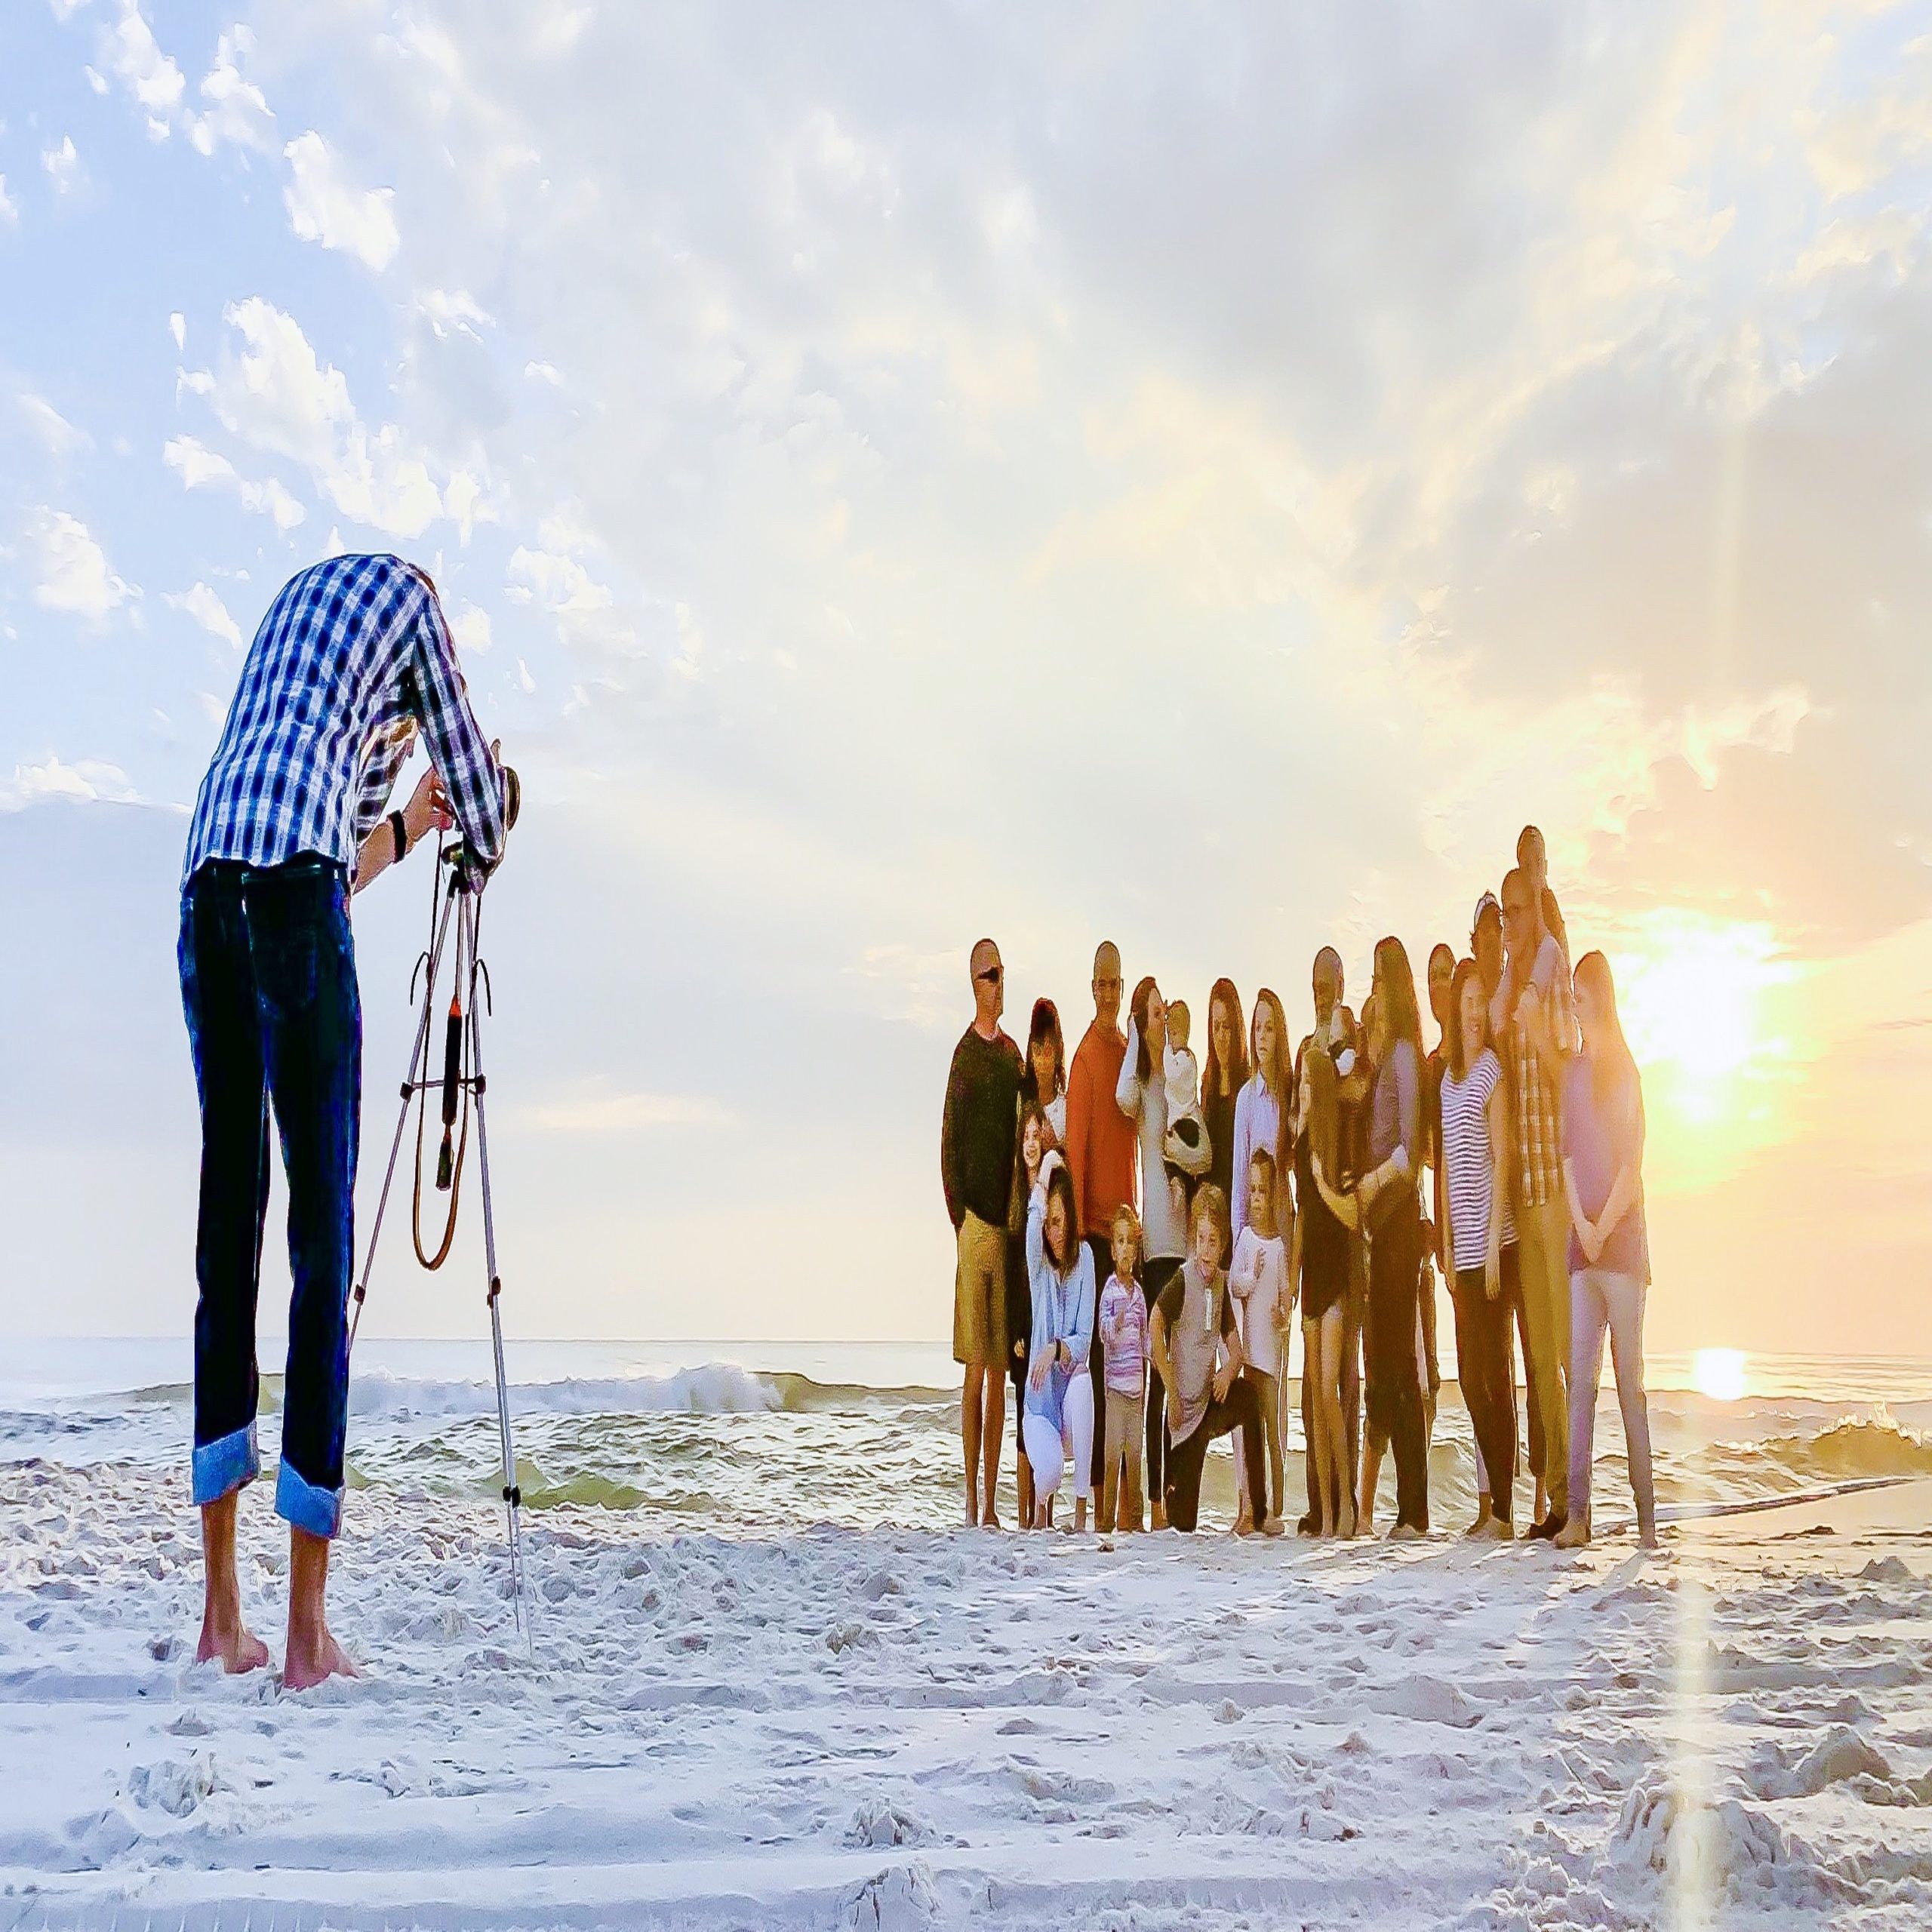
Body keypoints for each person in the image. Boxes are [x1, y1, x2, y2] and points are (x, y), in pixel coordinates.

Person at [179, 552, 509, 1688]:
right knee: (321, 1247)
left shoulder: (305, 634)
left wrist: (415, 824)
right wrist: (483, 811)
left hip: (206, 883)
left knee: (230, 1237)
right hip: (285, 890)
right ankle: (308, 1636)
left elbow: (339, 866)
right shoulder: (415, 605)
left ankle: (224, 1621)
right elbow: (481, 786)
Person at [1556, 953, 1658, 1550]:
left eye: (1579, 995)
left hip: (1622, 1250)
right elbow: (1568, 1156)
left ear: (1601, 998)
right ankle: (1579, 1518)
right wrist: (1580, 1226)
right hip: (1583, 1249)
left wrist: (1603, 1228)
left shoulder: (1625, 1072)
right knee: (1581, 1386)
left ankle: (1647, 1525)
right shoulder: (1572, 1071)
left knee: (1629, 1385)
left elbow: (1630, 1166)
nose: (1573, 1004)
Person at [1500, 865, 1575, 1540]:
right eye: (1504, 914)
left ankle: (1575, 1499)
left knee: (1564, 1355)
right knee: (1540, 1356)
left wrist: (1535, 1025)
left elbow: (1569, 1071)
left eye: (1518, 912)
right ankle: (1556, 1499)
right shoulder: (1512, 989)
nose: (1510, 925)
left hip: (1559, 1190)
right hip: (1526, 1198)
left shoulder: (1551, 987)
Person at [942, 937, 1023, 1531]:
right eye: (988, 974)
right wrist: (959, 1218)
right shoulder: (965, 1056)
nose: (997, 982)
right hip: (973, 1225)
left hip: (1008, 1225)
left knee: (999, 1369)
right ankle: (970, 1500)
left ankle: (994, 1503)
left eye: (1000, 972)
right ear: (974, 983)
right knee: (974, 1367)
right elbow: (948, 1145)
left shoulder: (1013, 1056)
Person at [1436, 958, 1517, 1540]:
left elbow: (1503, 1159)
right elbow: (1444, 1171)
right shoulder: (1447, 1080)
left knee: (1492, 1375)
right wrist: (1445, 1240)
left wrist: (1490, 1247)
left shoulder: (1491, 1071)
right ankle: (1491, 1509)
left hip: (1494, 1247)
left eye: (1478, 1001)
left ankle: (1504, 1513)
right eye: (1464, 1000)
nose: (1471, 1011)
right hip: (1459, 1251)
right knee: (1467, 1378)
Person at [1148, 1185, 1280, 1535]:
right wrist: (1170, 1387)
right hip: (1181, 1420)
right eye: (1201, 1240)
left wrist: (1228, 1372)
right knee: (1183, 1529)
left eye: (1214, 1242)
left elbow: (1236, 1350)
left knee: (1250, 1400)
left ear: (1223, 1247)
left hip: (1208, 1404)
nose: (1207, 1250)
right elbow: (1155, 1323)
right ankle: (1173, 1504)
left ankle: (1258, 1512)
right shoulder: (1183, 1280)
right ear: (1193, 1240)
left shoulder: (1221, 1285)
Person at [1355, 940, 1429, 1540]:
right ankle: (1406, 1509)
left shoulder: (1406, 1054)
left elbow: (1409, 1148)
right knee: (1390, 1359)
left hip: (1400, 1217)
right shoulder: (1385, 1055)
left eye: (1378, 978)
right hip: (1381, 1223)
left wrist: (1373, 1181)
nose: (1373, 987)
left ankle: (1414, 1511)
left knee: (1401, 1361)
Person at [1475, 888, 1541, 1520]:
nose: (1495, 938)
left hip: (1524, 1211)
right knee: (1491, 1371)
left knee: (1529, 1355)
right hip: (1487, 1227)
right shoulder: (1481, 1014)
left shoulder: (1514, 998)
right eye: (1486, 932)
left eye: (1502, 926)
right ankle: (1498, 1501)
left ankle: (1542, 1495)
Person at [1116, 977, 1189, 1522]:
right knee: (1157, 1375)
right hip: (1156, 1246)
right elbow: (1121, 1096)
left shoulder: (1182, 1081)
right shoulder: (1142, 1089)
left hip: (1191, 1243)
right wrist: (1138, 1037)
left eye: (1163, 1011)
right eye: (1152, 1014)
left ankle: (1179, 1494)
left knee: (1185, 1372)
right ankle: (1156, 1502)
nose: (1161, 1020)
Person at [1066, 943, 1134, 1496]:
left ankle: (1123, 1490)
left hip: (1126, 1231)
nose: (1108, 992)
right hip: (1092, 1234)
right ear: (1092, 988)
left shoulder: (1128, 1049)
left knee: (1127, 1368)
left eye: (1115, 983)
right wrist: (1080, 1250)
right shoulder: (1087, 1056)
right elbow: (1080, 1151)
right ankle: (1092, 1493)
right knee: (1092, 1365)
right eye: (1101, 984)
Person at [1293, 1046, 1358, 1537]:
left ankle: (1345, 1507)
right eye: (1301, 1086)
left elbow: (1353, 1215)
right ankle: (1329, 1515)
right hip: (1311, 1278)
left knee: (1332, 1396)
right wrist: (1292, 1281)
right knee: (1313, 1400)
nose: (1305, 1093)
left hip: (1339, 1279)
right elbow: (1300, 1221)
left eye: (1310, 1085)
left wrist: (1323, 1183)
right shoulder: (1299, 1148)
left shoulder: (1342, 1144)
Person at [1020, 1151, 1097, 1531]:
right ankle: (1040, 1512)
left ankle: (1081, 1513)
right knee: (1048, 1474)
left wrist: (1055, 1349)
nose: (1053, 1230)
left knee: (1083, 1384)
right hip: (1040, 1406)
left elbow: (1084, 1338)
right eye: (1049, 1222)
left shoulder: (1085, 1258)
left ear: (1070, 1216)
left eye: (1059, 1220)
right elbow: (1031, 1227)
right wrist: (1047, 1168)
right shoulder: (1039, 1266)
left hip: (1070, 1399)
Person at [1228, 1149, 1290, 1532]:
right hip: (1250, 1355)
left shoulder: (1280, 1246)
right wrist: (1251, 1278)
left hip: (1273, 1356)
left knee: (1273, 1432)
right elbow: (1235, 1283)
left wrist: (1283, 1316)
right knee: (1251, 1431)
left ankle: (1278, 1507)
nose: (1257, 1199)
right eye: (1252, 1191)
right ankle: (1255, 1506)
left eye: (1263, 1191)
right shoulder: (1247, 1241)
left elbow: (1285, 1296)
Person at [1006, 1100, 1049, 1528]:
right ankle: (1023, 1516)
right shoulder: (1018, 1201)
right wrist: (1016, 1331)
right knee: (1023, 1416)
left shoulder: (1051, 1194)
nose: (1031, 1143)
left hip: (1048, 1325)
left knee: (1046, 1415)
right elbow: (1014, 1275)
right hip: (1023, 1325)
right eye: (1027, 1136)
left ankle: (1044, 1514)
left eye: (1038, 1135)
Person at [1097, 1205, 1150, 1534]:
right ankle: (1105, 1520)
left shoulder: (1140, 1295)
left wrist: (1154, 1355)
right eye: (1120, 1241)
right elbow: (1103, 1333)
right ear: (1113, 1249)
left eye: (1131, 1241)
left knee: (1135, 1456)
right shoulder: (1110, 1291)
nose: (1126, 1248)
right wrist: (1114, 1325)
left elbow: (1144, 1338)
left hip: (1136, 1391)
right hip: (1115, 1389)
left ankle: (1135, 1520)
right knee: (1112, 1457)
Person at [1231, 989, 1293, 1247]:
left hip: (1284, 1231)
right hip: (1253, 1237)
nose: (1262, 1037)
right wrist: (1238, 1244)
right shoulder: (1247, 1098)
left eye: (1268, 1028)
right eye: (1257, 1028)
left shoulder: (1290, 1094)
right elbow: (1240, 1178)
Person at [1160, 997, 1211, 1226]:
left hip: (1185, 1123)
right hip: (1183, 1123)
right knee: (1175, 1163)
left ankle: (1180, 1185)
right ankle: (1179, 1185)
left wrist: (1166, 1049)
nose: (1172, 1040)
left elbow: (1172, 1073)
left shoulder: (1184, 1060)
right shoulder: (1186, 1059)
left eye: (1175, 1034)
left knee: (1172, 1156)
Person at [1201, 979, 1248, 1206]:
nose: (1221, 1036)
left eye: (1227, 1027)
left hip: (1240, 1207)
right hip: (1211, 1216)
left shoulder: (1248, 1086)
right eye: (1216, 1026)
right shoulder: (1207, 1083)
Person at [1518, 824, 1571, 968]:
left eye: (1538, 862)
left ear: (1546, 866)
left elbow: (1563, 964)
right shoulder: (1517, 911)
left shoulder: (1549, 906)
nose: (1534, 871)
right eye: (1527, 865)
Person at [1021, 997, 1069, 1148]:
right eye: (1037, 1051)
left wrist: (1056, 1147)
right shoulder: (1021, 1106)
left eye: (1047, 1052)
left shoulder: (1065, 1111)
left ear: (1057, 1053)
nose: (1042, 1061)